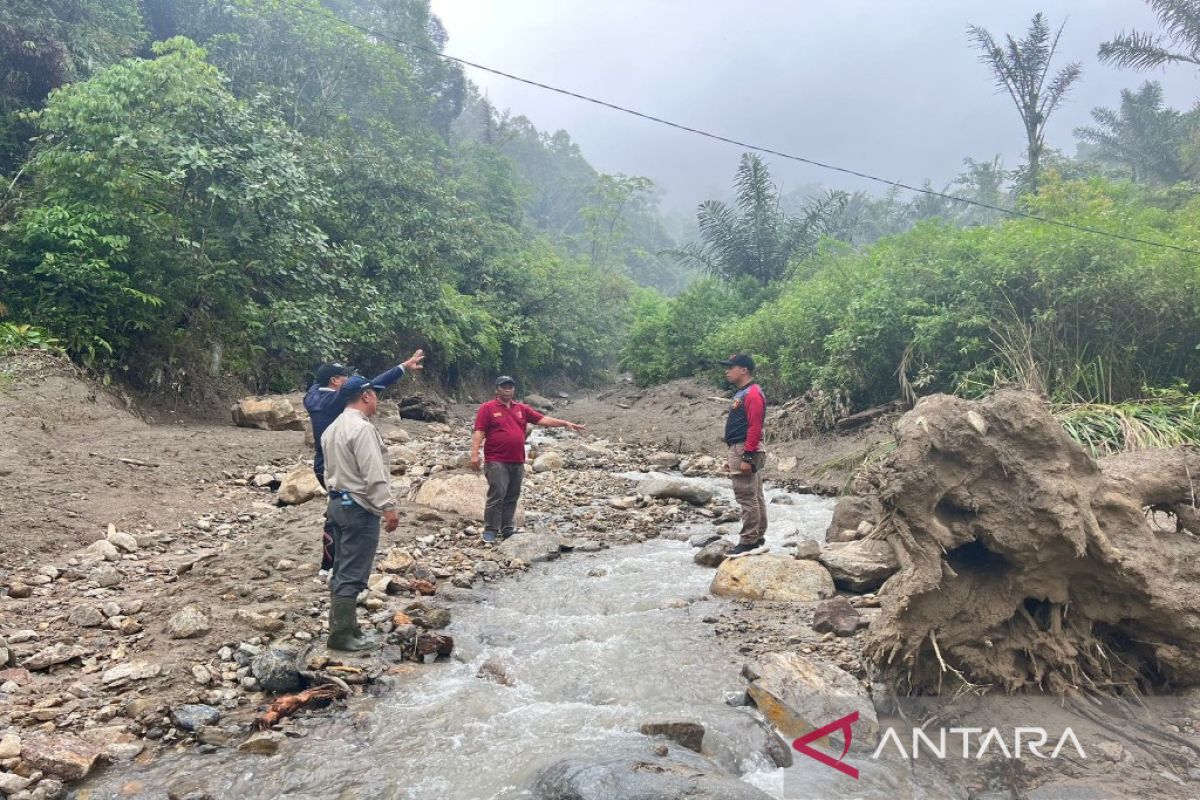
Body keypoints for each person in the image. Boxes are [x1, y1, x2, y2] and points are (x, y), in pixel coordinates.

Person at [305, 351, 424, 576]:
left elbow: (318, 383)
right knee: (350, 507)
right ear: (335, 382)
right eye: (344, 377)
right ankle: (338, 566)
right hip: (342, 460)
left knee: (337, 508)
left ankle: (329, 565)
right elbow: (372, 386)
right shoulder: (337, 399)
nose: (348, 381)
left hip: (325, 461)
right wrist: (401, 367)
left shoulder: (311, 396)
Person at [320, 375, 398, 651]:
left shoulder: (332, 427)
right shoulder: (361, 429)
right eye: (374, 394)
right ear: (366, 396)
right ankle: (341, 635)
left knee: (340, 567)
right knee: (352, 572)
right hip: (359, 508)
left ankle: (348, 628)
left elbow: (326, 470)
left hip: (337, 504)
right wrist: (388, 506)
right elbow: (373, 473)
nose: (377, 399)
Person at [470, 375, 586, 543]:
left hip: (517, 459)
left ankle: (507, 528)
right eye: (504, 386)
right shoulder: (487, 408)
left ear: (514, 389)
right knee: (497, 494)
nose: (507, 389)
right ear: (497, 389)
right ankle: (490, 530)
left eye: (510, 386)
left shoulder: (521, 408)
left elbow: (542, 419)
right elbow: (479, 431)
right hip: (496, 459)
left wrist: (565, 423)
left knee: (512, 495)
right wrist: (474, 454)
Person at [721, 353, 769, 558]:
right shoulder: (744, 392)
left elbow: (755, 427)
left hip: (745, 448)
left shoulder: (752, 393)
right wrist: (732, 456)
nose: (727, 371)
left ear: (744, 370)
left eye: (731, 367)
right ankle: (757, 536)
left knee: (746, 497)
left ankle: (748, 540)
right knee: (755, 495)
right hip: (739, 448)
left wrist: (747, 457)